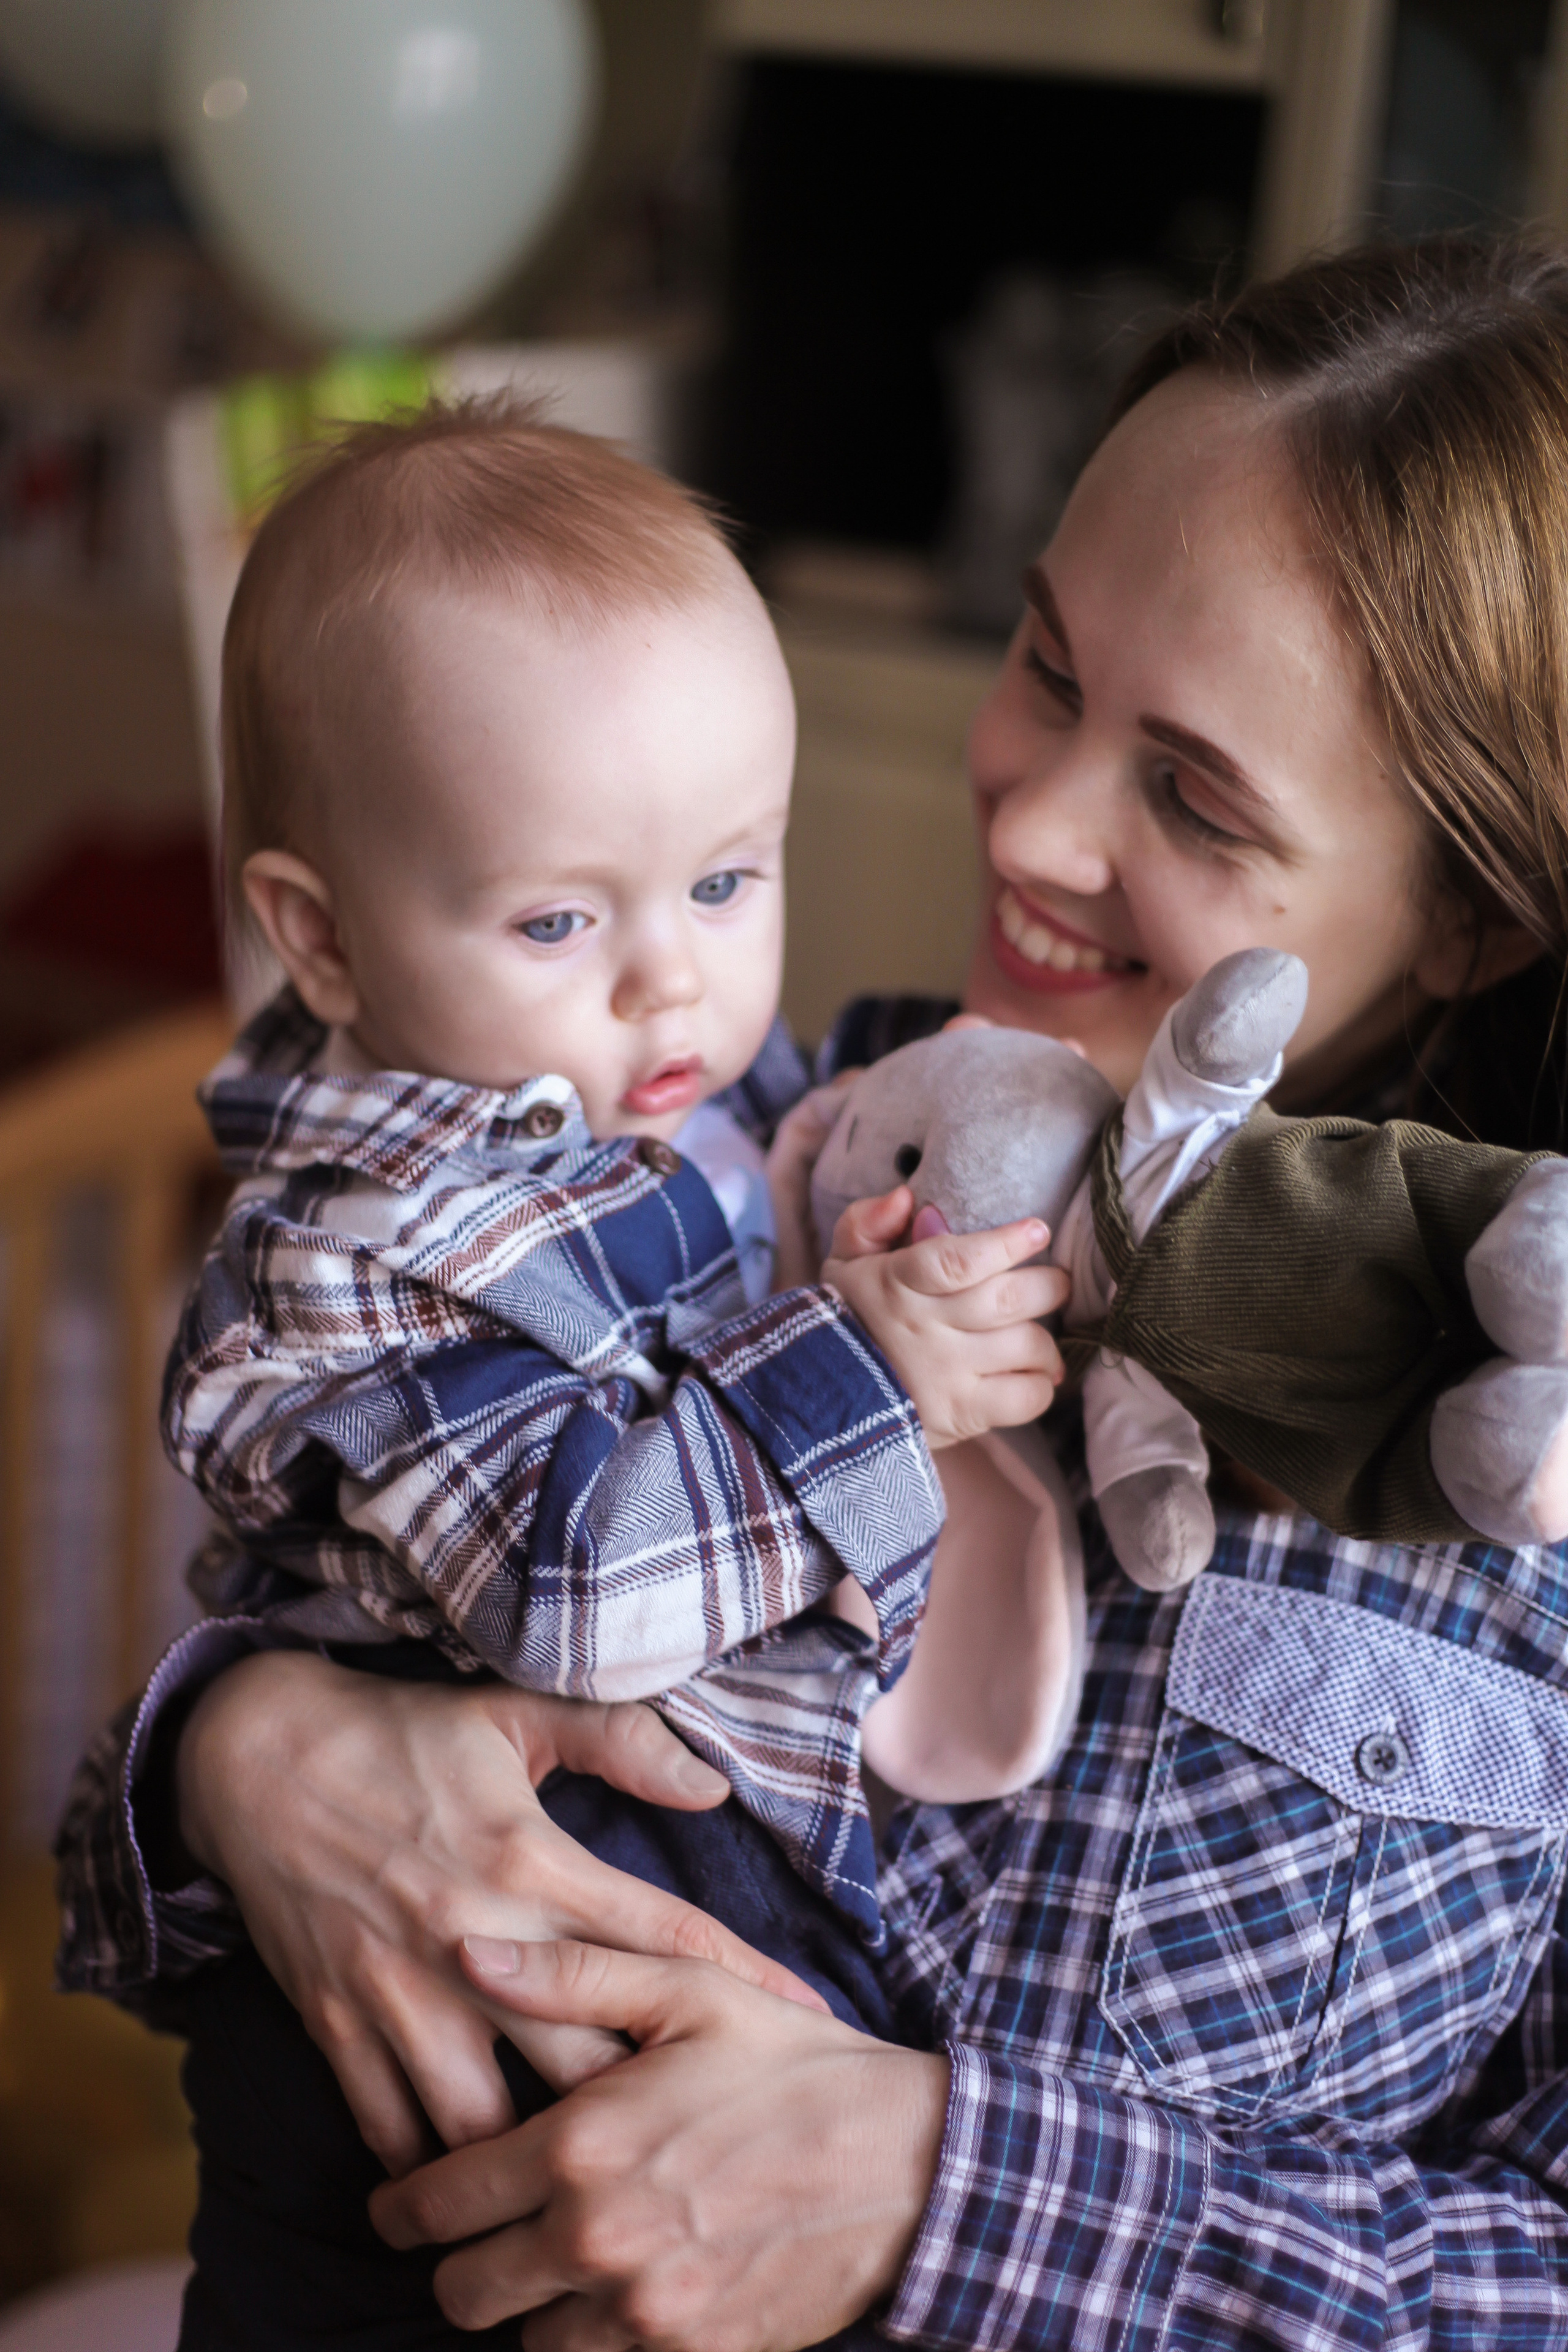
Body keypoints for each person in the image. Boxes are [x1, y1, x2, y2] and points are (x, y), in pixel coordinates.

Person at [56, 232, 1568, 2347]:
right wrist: (245, 1753)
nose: (1028, 826)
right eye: (1047, 665)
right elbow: (273, 1643)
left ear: (1479, 917)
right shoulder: (778, 1132)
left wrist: (945, 2198)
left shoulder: (1522, 1444)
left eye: (1192, 794)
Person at [110, 398, 1070, 2345]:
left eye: (728, 880)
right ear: (321, 938)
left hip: (691, 1981)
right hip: (415, 2051)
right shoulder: (353, 1259)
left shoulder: (710, 1096)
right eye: (559, 918)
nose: (670, 980)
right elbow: (578, 1588)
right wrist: (865, 1374)